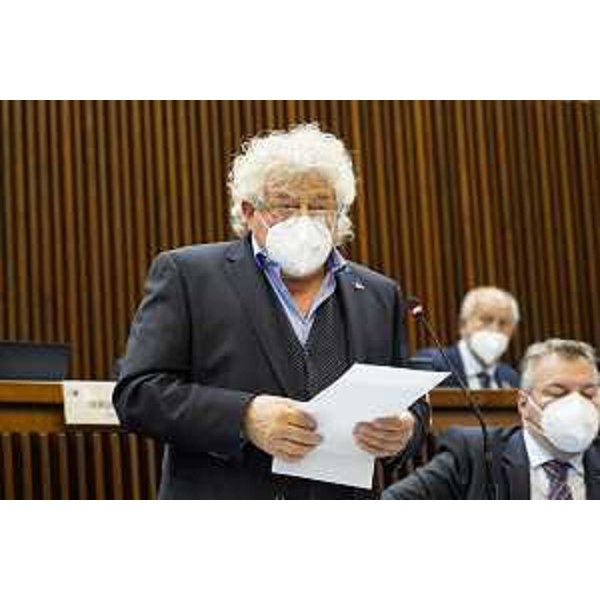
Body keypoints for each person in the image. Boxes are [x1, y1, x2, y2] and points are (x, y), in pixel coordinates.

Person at [113, 123, 429, 499]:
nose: (304, 219)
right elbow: (138, 394)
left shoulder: (379, 293)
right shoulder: (189, 276)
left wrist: (407, 428)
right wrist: (244, 416)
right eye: (286, 205)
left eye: (320, 206)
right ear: (249, 212)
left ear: (340, 214)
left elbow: (407, 399)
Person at [383, 338, 600, 499]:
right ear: (523, 404)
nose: (577, 404)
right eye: (558, 392)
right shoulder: (475, 455)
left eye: (589, 393)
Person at [414, 286, 520, 389]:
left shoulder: (511, 378)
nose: (494, 329)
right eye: (486, 320)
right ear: (463, 325)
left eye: (503, 323)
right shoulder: (430, 364)